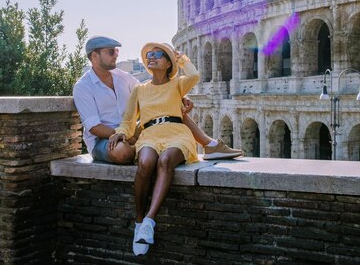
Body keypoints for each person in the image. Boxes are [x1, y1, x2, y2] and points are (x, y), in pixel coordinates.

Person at [73, 35, 244, 164]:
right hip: (104, 140)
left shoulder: (122, 77)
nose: (116, 55)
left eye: (116, 51)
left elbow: (153, 92)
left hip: (130, 132)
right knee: (124, 153)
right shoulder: (83, 87)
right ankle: (205, 145)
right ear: (94, 56)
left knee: (170, 109)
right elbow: (95, 128)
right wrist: (126, 136)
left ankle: (210, 145)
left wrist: (181, 96)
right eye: (111, 52)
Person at [108, 42, 199, 255]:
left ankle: (149, 221)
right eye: (148, 55)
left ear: (168, 63)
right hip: (150, 134)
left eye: (158, 54)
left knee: (165, 161)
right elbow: (129, 119)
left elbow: (194, 76)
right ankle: (138, 221)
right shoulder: (140, 89)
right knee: (146, 163)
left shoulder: (177, 85)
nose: (151, 57)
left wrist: (182, 59)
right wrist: (121, 131)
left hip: (176, 132)